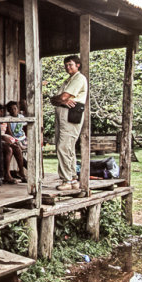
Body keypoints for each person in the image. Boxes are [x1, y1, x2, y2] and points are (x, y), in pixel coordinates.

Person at [50, 55, 88, 190]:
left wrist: (61, 99)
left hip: (71, 114)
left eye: (70, 64)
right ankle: (72, 179)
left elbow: (63, 97)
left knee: (63, 146)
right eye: (66, 65)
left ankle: (66, 179)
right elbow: (53, 100)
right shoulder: (68, 80)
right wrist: (59, 99)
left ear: (77, 65)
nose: (68, 67)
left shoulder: (79, 78)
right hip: (62, 114)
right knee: (68, 148)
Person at [0, 104, 26, 183]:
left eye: (2, 112)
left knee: (16, 148)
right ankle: (7, 174)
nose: (0, 114)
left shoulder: (5, 120)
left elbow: (8, 133)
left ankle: (21, 172)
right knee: (9, 149)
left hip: (5, 139)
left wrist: (13, 141)